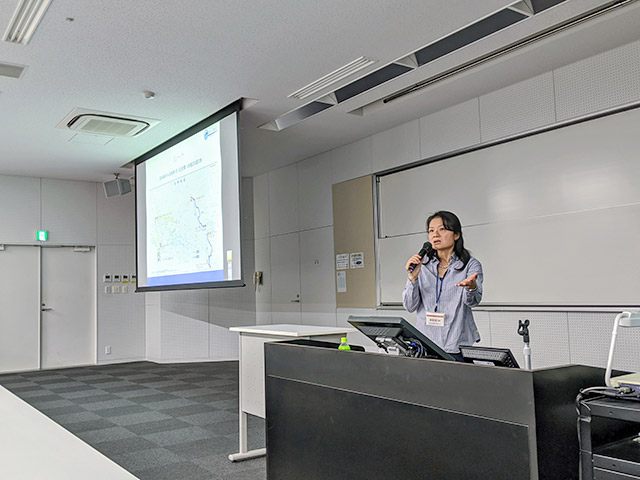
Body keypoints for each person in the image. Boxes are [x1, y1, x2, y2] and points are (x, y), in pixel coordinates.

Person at [402, 211, 482, 362]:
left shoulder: (470, 265)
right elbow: (409, 306)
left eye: (442, 229)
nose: (435, 235)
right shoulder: (422, 266)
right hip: (425, 344)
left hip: (455, 343)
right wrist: (412, 278)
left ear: (456, 234)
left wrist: (471, 287)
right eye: (431, 231)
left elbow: (473, 301)